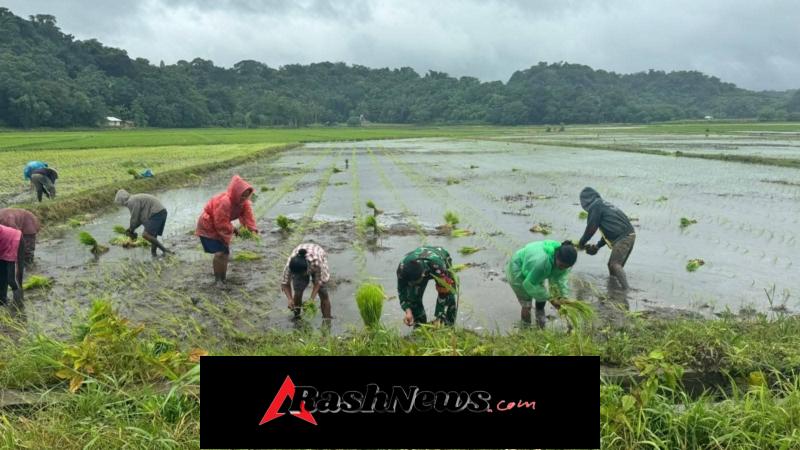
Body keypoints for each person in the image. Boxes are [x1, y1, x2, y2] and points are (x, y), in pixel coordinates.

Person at [196, 175, 258, 288]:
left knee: (225, 253)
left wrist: (252, 229)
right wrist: (231, 231)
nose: (243, 198)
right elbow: (220, 222)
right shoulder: (225, 202)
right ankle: (218, 280)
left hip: (219, 224)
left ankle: (222, 279)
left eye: (246, 196)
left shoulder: (244, 203)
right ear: (235, 193)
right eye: (241, 195)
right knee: (220, 253)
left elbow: (248, 217)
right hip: (208, 225)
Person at [506, 240, 577, 328]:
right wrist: (551, 299)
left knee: (541, 294)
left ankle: (540, 317)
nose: (563, 269)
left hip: (536, 268)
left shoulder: (564, 260)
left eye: (566, 267)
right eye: (561, 265)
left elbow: (561, 280)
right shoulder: (543, 263)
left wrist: (564, 297)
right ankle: (526, 328)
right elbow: (528, 284)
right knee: (527, 303)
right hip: (519, 266)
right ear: (556, 256)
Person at [577, 187, 635, 290]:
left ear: (585, 201)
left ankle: (627, 290)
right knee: (612, 265)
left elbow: (591, 228)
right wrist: (598, 246)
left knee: (614, 264)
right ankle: (613, 288)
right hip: (629, 235)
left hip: (623, 237)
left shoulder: (595, 206)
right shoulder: (604, 204)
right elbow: (610, 230)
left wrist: (581, 243)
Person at [396, 246, 458, 327]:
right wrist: (408, 310)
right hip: (420, 265)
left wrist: (439, 315)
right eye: (411, 283)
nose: (413, 285)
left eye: (416, 282)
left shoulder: (438, 267)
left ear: (422, 274)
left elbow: (443, 294)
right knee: (413, 298)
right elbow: (401, 290)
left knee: (449, 294)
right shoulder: (402, 269)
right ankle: (419, 326)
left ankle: (448, 325)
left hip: (437, 262)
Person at [114, 189, 171, 257]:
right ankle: (154, 254)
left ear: (122, 200)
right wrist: (130, 229)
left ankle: (165, 251)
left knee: (145, 234)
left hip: (157, 213)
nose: (122, 205)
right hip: (161, 212)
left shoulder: (132, 201)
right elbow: (139, 219)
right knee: (152, 236)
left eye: (120, 203)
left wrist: (131, 230)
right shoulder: (134, 199)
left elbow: (134, 218)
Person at [281, 243, 331, 320]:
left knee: (323, 292)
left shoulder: (317, 263)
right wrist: (290, 299)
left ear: (307, 269)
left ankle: (327, 319)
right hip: (301, 264)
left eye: (302, 274)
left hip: (318, 254)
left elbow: (319, 282)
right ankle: (297, 318)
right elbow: (285, 283)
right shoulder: (290, 266)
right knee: (297, 291)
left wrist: (311, 300)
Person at [0, 224, 24, 305]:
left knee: (11, 279)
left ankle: (19, 304)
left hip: (14, 240)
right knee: (2, 276)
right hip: (2, 244)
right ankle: (3, 301)